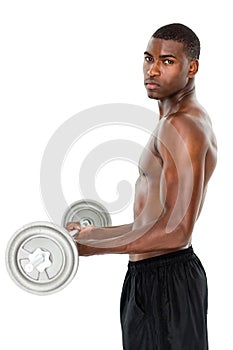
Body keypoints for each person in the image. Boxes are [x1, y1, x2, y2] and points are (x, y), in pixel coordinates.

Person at [67, 23, 217, 350]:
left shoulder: (184, 125)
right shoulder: (170, 121)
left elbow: (177, 231)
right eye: (148, 58)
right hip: (149, 280)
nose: (152, 69)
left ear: (191, 68)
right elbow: (150, 225)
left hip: (167, 284)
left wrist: (95, 248)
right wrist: (93, 235)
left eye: (167, 61)